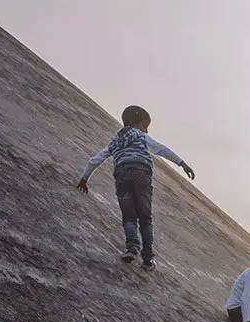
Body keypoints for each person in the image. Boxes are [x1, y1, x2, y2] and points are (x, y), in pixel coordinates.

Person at [76, 104, 195, 271]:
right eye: (145, 126)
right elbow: (162, 149)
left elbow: (96, 159)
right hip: (141, 174)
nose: (146, 131)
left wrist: (84, 179)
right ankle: (148, 259)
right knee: (145, 218)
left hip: (122, 176)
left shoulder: (115, 140)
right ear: (133, 122)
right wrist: (182, 163)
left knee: (129, 216)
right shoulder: (140, 136)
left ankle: (131, 249)